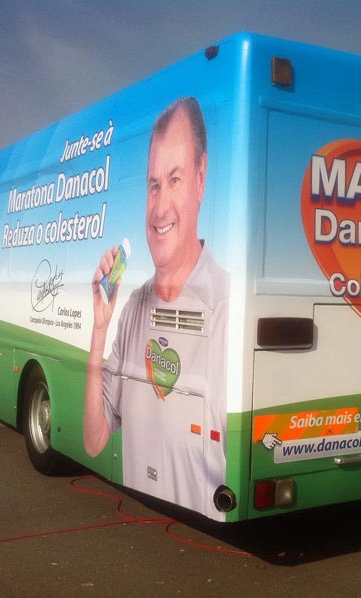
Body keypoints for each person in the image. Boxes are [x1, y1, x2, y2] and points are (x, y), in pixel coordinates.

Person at [84, 97, 229, 520]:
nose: (161, 206)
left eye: (176, 179)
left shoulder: (226, 306)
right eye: (153, 185)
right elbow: (94, 441)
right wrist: (99, 329)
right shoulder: (130, 309)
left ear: (201, 180)